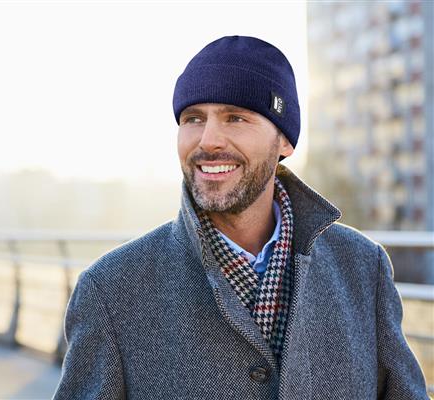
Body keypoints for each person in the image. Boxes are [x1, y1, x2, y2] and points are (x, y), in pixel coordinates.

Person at [52, 36, 428, 399]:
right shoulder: (111, 290)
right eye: (193, 118)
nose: (208, 140)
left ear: (284, 140)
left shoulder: (362, 266)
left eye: (235, 118)